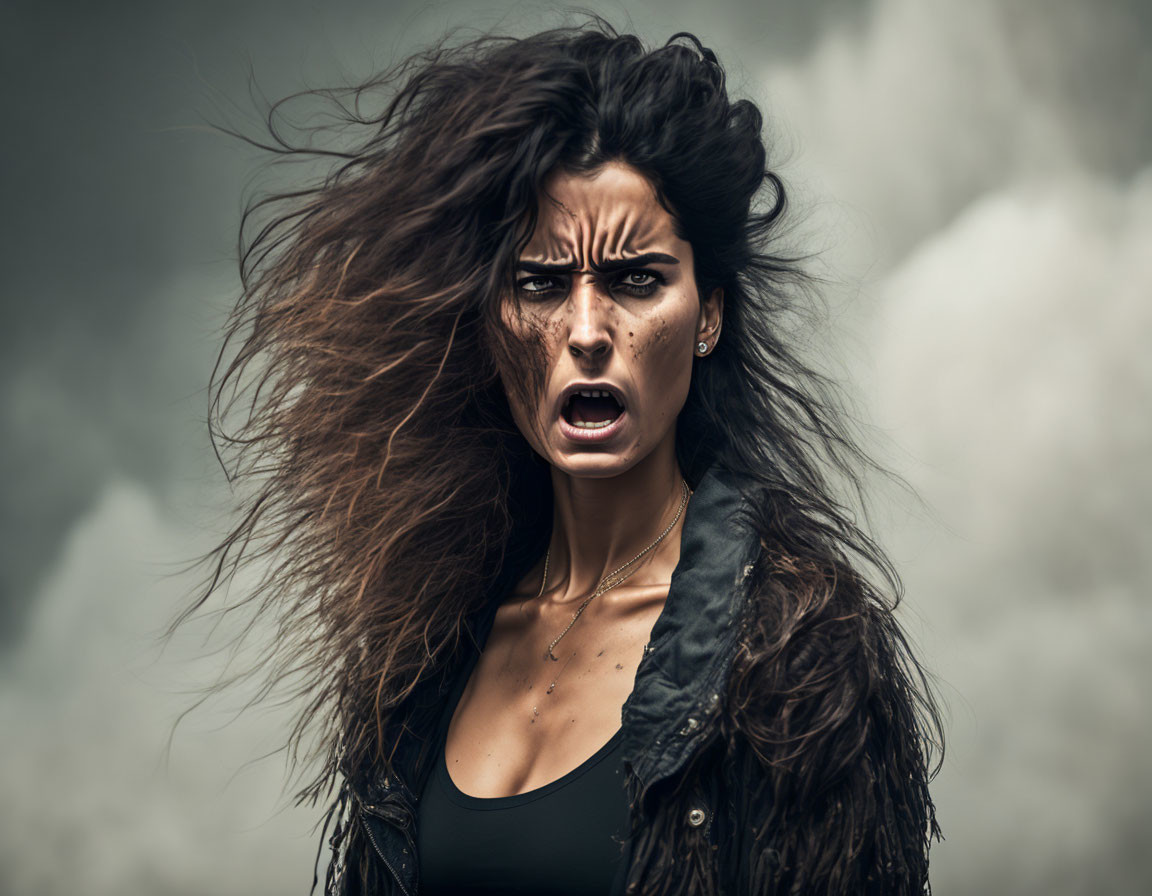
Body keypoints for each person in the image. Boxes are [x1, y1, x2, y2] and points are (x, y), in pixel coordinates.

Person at [178, 16, 944, 896]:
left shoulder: (791, 651)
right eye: (539, 284)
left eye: (635, 280)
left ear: (709, 316)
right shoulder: (428, 653)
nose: (586, 332)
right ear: (489, 320)